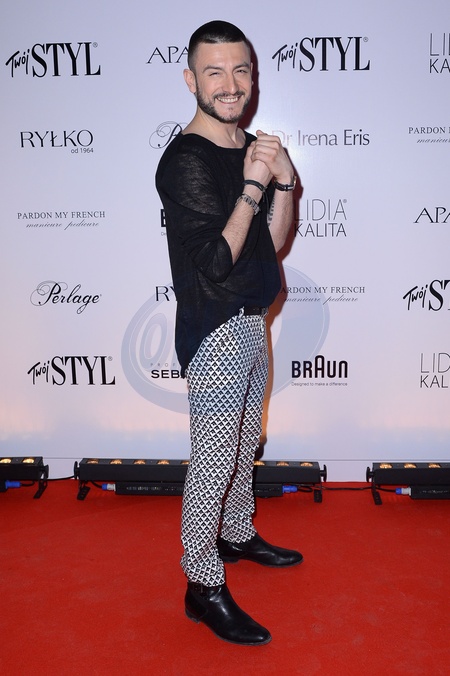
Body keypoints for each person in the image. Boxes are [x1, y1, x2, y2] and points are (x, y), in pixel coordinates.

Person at [156, 20, 302, 646]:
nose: (230, 84)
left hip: (253, 318)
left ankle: (237, 534)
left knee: (244, 444)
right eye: (214, 71)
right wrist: (252, 184)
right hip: (215, 328)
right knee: (214, 459)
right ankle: (202, 583)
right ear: (191, 80)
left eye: (241, 69)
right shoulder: (185, 160)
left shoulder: (247, 145)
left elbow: (271, 243)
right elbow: (216, 261)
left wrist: (285, 180)